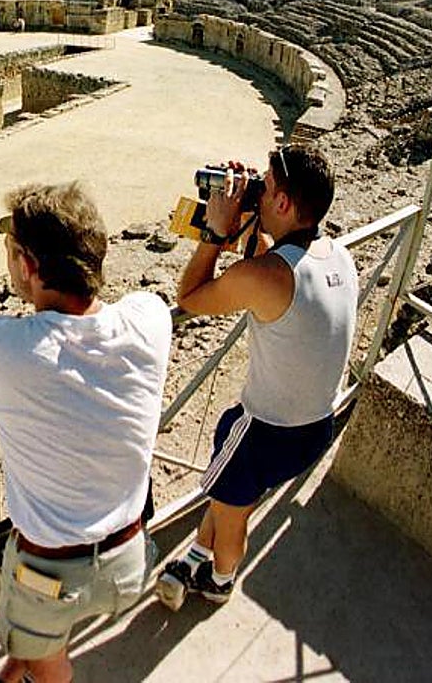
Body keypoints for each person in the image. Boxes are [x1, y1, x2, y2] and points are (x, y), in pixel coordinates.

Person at [0, 181, 171, 683]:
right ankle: (24, 660)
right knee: (42, 627)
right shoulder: (151, 317)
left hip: (48, 578)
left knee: (43, 651)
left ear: (29, 266)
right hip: (130, 561)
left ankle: (37, 666)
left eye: (10, 250)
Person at [156, 143, 358, 610]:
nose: (255, 193)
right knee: (231, 498)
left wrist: (214, 231)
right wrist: (250, 222)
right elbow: (273, 266)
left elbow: (190, 297)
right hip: (314, 428)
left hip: (263, 433)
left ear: (284, 203)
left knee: (232, 516)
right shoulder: (336, 255)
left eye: (264, 188)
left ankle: (220, 581)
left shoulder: (267, 277)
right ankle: (196, 554)